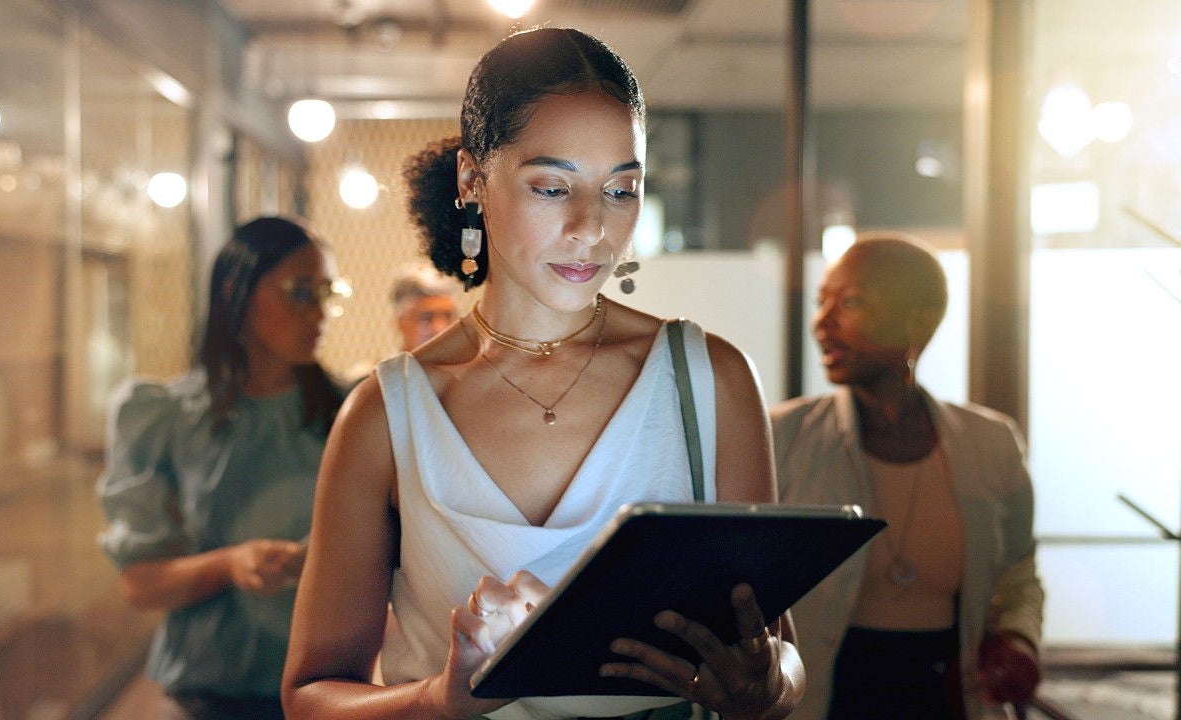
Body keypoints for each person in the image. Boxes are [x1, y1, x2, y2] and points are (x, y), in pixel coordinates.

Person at [282, 26, 804, 720]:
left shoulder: (710, 380)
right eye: (554, 187)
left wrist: (767, 687)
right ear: (473, 179)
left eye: (621, 191)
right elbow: (310, 696)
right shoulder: (388, 413)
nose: (591, 227)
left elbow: (780, 649)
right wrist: (439, 701)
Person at [770, 234, 1044, 720]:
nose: (821, 323)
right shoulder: (783, 437)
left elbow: (1018, 572)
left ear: (922, 320)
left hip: (949, 696)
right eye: (821, 302)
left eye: (851, 302)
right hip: (827, 697)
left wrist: (1018, 639)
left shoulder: (990, 442)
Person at [97, 216, 351, 720]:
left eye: (326, 292)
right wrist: (230, 564)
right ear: (237, 292)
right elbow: (141, 583)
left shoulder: (351, 413)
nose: (318, 313)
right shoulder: (165, 416)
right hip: (207, 690)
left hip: (326, 688)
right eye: (299, 292)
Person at [392, 263, 461, 352]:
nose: (440, 328)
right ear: (402, 323)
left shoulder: (471, 365)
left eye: (448, 316)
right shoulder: (384, 366)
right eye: (427, 318)